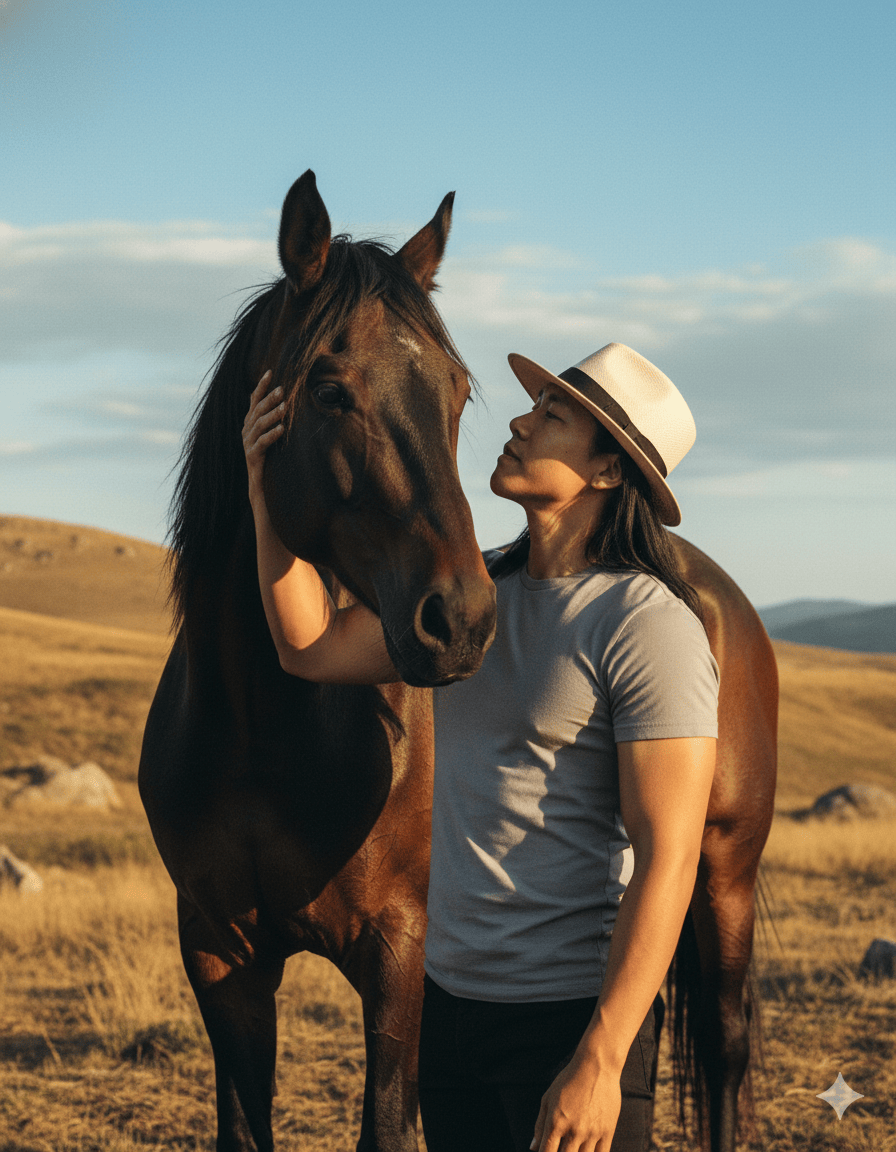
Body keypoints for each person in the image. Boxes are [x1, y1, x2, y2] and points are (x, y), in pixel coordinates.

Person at [242, 342, 718, 1152]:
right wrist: (265, 491)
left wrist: (602, 1060)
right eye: (535, 406)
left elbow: (667, 857)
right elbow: (309, 648)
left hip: (571, 1019)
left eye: (553, 416)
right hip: (449, 1015)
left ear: (608, 470)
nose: (520, 422)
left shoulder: (646, 626)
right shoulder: (476, 601)